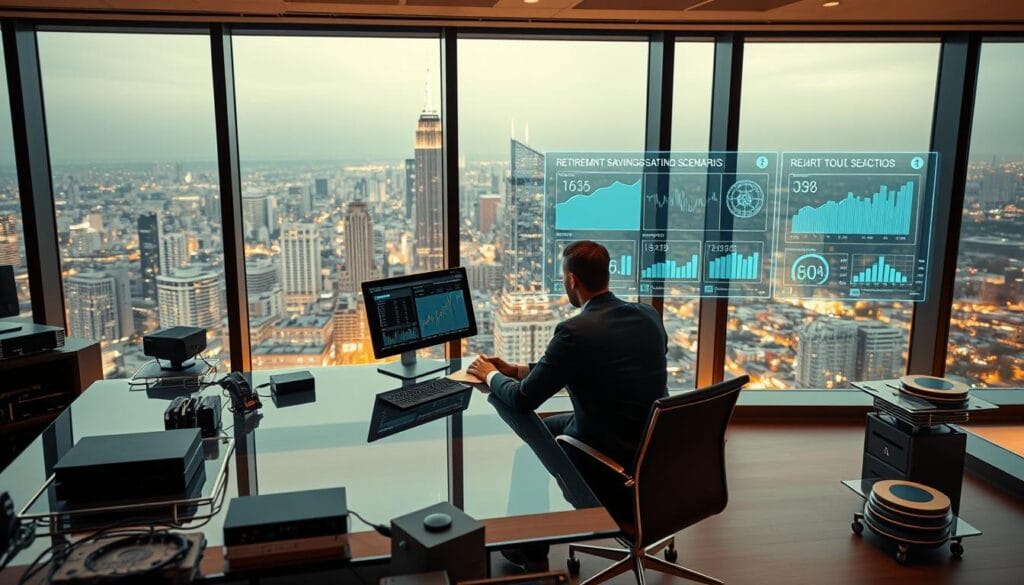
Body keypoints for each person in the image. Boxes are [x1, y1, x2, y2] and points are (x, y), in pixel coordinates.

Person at [467, 240, 668, 570]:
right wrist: (516, 370)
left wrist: (489, 376)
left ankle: (529, 551)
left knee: (529, 449)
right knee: (544, 431)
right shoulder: (647, 315)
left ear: (573, 280)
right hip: (651, 445)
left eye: (563, 278)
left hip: (609, 462)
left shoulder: (575, 331)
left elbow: (521, 399)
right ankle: (530, 542)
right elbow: (596, 363)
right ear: (607, 275)